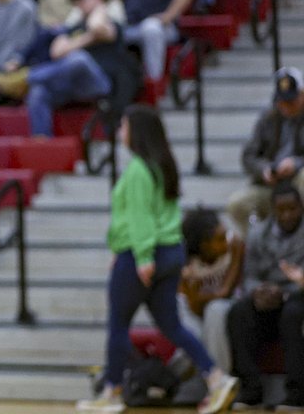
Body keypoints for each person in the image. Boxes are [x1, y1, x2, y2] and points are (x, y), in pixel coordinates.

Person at [76, 105, 238, 414]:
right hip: (171, 252)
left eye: (123, 126)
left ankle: (111, 393)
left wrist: (142, 256)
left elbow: (140, 218)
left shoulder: (138, 169)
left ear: (136, 132)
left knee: (118, 325)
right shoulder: (163, 164)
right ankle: (217, 378)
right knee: (171, 325)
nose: (120, 131)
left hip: (145, 254)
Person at [227, 183, 304, 410]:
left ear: (301, 207)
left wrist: (287, 292)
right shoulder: (258, 233)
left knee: (293, 315)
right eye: (282, 209)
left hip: (298, 295)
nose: (288, 214)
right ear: (273, 210)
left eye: (293, 209)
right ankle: (250, 388)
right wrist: (258, 291)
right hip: (267, 297)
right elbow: (249, 275)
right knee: (238, 312)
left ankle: (297, 393)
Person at [10, 0, 118, 137]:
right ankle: (43, 144)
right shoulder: (72, 27)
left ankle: (28, 77)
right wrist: (85, 39)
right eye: (77, 1)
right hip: (70, 85)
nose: (80, 4)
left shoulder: (110, 22)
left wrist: (99, 9)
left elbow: (97, 28)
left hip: (97, 83)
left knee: (79, 59)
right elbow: (57, 52)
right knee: (38, 91)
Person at [227, 67, 304, 233]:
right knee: (236, 204)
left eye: (291, 102)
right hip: (271, 188)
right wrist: (265, 170)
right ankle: (259, 248)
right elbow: (248, 157)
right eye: (282, 102)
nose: (286, 107)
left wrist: (296, 164)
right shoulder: (267, 117)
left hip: (297, 186)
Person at [180, 207, 243, 376]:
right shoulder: (185, 264)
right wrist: (207, 298)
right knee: (194, 336)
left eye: (225, 234)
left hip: (223, 307)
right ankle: (169, 380)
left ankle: (221, 381)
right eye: (220, 239)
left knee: (215, 310)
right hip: (191, 309)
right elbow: (193, 306)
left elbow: (226, 292)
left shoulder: (235, 244)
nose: (226, 241)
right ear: (203, 245)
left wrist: (205, 298)